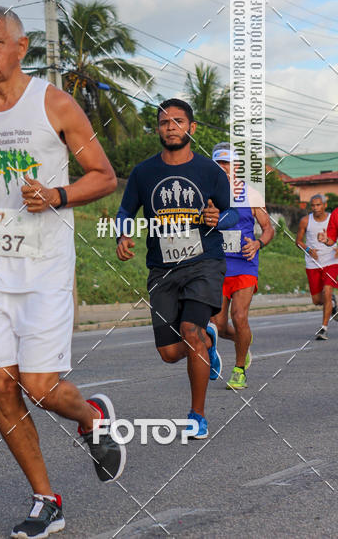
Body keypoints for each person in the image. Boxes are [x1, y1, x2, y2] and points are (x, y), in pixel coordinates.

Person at [0, 6, 124, 539]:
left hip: (44, 265)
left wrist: (58, 195)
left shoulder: (54, 103)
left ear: (21, 48)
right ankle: (46, 499)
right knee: (1, 388)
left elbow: (104, 177)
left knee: (39, 387)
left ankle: (91, 419)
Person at [115, 99, 239, 439]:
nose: (171, 127)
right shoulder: (143, 173)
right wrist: (121, 234)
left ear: (191, 128)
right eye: (165, 122)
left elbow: (231, 215)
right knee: (170, 353)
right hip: (162, 268)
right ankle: (206, 342)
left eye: (178, 121)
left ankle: (197, 416)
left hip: (204, 262)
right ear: (158, 128)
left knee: (190, 329)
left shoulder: (210, 172)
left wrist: (218, 217)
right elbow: (125, 211)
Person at [209, 142, 274, 389]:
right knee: (218, 324)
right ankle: (242, 343)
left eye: (227, 163)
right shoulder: (208, 195)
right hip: (218, 265)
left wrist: (258, 244)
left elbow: (268, 228)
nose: (223, 168)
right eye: (219, 164)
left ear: (236, 167)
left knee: (239, 316)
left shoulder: (251, 194)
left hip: (245, 264)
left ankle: (239, 371)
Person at [296, 194, 338, 340]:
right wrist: (308, 250)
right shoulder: (306, 221)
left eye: (318, 205)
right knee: (317, 300)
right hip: (312, 263)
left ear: (325, 205)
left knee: (327, 290)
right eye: (313, 205)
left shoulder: (333, 218)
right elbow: (298, 242)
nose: (316, 208)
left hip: (331, 261)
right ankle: (332, 302)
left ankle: (324, 328)